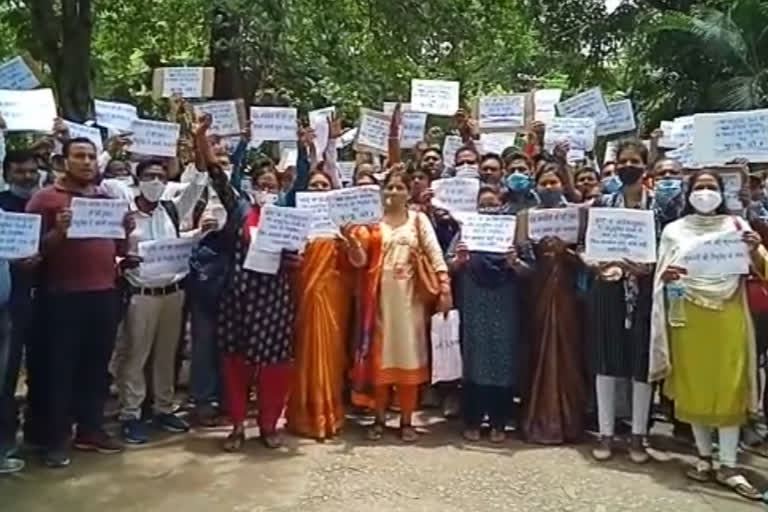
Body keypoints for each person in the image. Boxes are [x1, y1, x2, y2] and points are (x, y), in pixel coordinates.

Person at [650, 170, 766, 501]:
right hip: (687, 316)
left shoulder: (737, 228)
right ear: (688, 194)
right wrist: (668, 276)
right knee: (694, 386)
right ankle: (703, 458)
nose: (704, 192)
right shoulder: (674, 230)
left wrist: (756, 250)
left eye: (711, 187)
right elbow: (662, 273)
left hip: (728, 315)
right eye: (699, 187)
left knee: (729, 387)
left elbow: (761, 267)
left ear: (721, 192)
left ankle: (728, 464)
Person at [26, 138, 135, 467]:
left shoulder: (106, 199)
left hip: (103, 294)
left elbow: (117, 249)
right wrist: (59, 231)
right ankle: (55, 439)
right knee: (59, 370)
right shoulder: (44, 199)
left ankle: (91, 430)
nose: (87, 162)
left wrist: (126, 230)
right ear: (65, 161)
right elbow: (30, 253)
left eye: (91, 156)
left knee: (95, 368)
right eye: (79, 156)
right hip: (61, 298)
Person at [207, 151, 298, 450]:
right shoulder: (241, 209)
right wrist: (203, 141)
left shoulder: (286, 212)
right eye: (262, 185)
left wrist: (292, 257)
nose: (267, 191)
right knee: (235, 366)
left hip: (274, 301)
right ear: (252, 186)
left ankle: (269, 425)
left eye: (272, 186)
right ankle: (236, 426)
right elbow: (219, 177)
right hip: (239, 299)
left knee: (274, 368)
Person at [353, 169, 451, 443]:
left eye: (399, 188)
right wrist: (351, 242)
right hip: (379, 304)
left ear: (409, 193)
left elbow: (435, 254)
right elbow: (359, 261)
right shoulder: (371, 223)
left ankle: (407, 421)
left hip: (411, 304)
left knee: (408, 358)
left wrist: (444, 287)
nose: (393, 193)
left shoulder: (418, 221)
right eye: (389, 188)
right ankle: (380, 419)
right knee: (381, 361)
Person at [116, 156, 208, 444]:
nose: (155, 182)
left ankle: (163, 409)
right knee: (135, 356)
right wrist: (123, 260)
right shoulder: (124, 216)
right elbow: (113, 249)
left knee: (167, 355)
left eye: (160, 177)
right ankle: (130, 415)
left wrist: (200, 233)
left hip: (172, 293)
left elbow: (197, 184)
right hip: (140, 296)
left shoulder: (170, 209)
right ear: (137, 181)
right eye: (149, 177)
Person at [584, 140, 655, 464]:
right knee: (606, 362)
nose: (628, 165)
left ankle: (638, 437)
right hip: (608, 290)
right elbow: (585, 247)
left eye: (634, 160)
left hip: (645, 293)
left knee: (641, 365)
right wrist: (594, 263)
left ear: (644, 165)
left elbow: (668, 248)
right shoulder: (603, 203)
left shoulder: (659, 206)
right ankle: (606, 433)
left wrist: (649, 268)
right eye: (622, 160)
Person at [286, 170, 368, 440]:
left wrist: (350, 242)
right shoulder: (297, 222)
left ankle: (329, 414)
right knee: (305, 351)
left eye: (325, 185)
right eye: (315, 185)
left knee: (331, 356)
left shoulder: (344, 224)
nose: (320, 189)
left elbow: (359, 261)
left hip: (335, 298)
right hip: (305, 295)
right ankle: (303, 415)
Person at [448, 186, 528, 443]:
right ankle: (472, 418)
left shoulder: (514, 232)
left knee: (502, 359)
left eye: (494, 206)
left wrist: (515, 262)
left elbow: (531, 271)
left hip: (504, 301)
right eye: (483, 206)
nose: (488, 211)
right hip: (474, 301)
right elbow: (447, 264)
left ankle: (499, 421)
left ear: (503, 207)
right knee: (474, 358)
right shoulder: (466, 232)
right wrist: (459, 261)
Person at [520, 164, 586, 444]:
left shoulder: (575, 215)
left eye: (554, 182)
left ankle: (570, 420)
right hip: (537, 291)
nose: (549, 187)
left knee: (568, 351)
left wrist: (566, 252)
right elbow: (523, 254)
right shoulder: (527, 217)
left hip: (568, 293)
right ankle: (537, 416)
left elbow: (586, 255)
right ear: (536, 187)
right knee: (538, 350)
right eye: (544, 183)